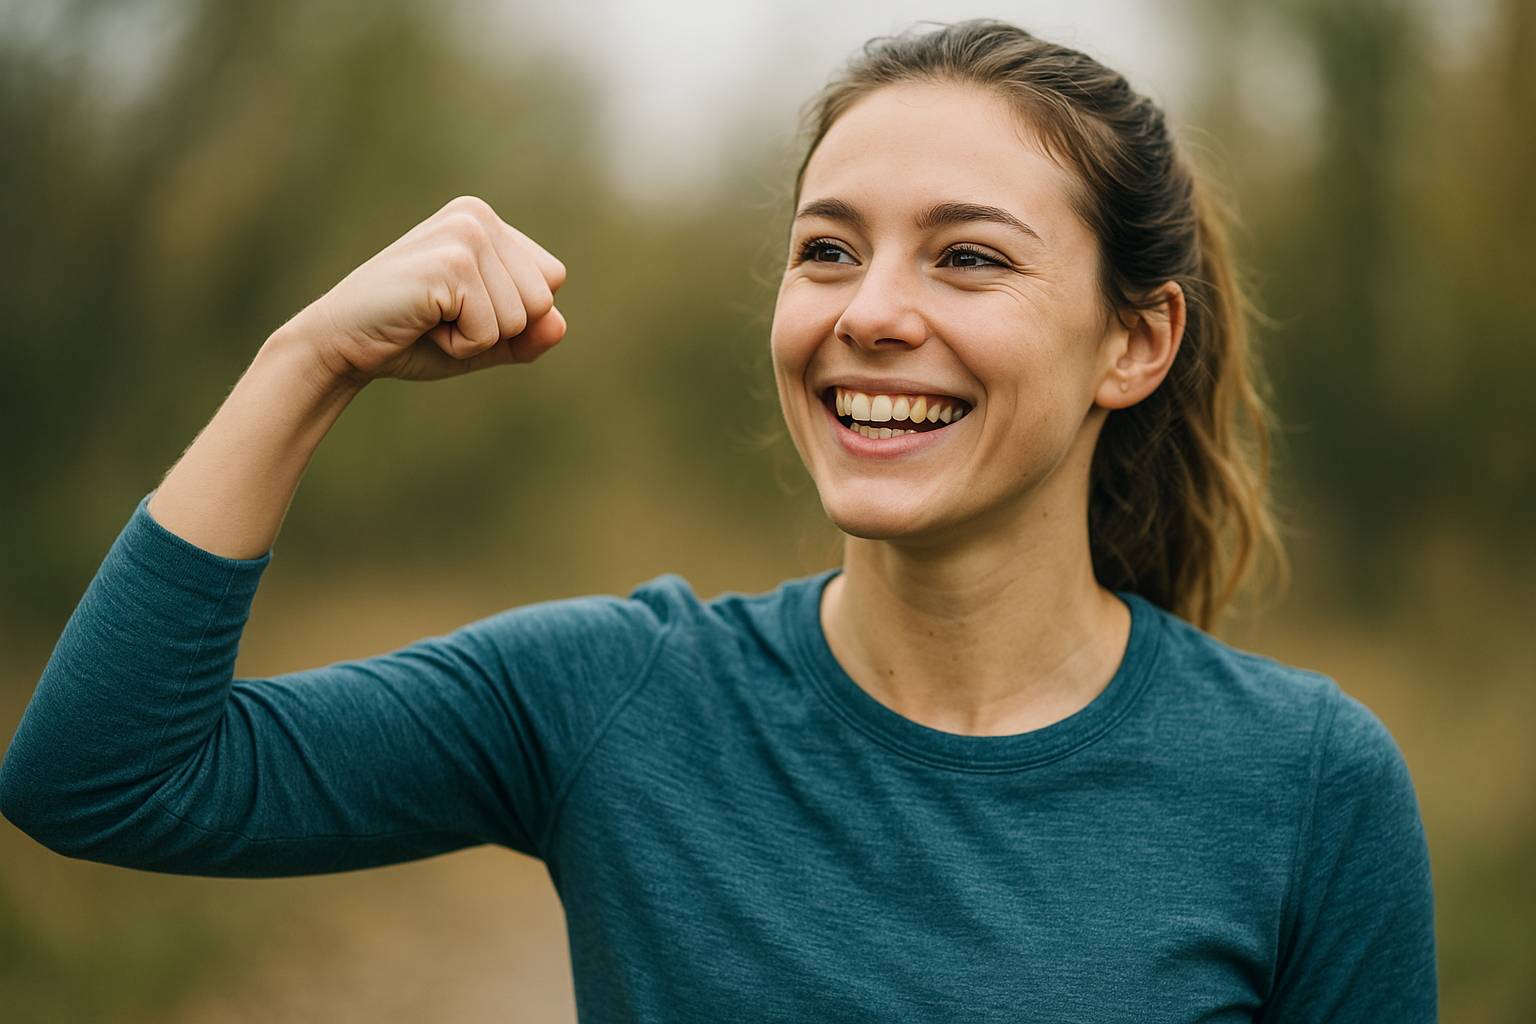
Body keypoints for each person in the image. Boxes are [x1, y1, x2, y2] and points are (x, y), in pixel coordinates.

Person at [0, 19, 1435, 1022]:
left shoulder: (1308, 787)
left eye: (969, 256)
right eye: (827, 249)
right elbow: (101, 777)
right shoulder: (621, 698)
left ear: (1136, 342)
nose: (870, 311)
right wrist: (304, 363)